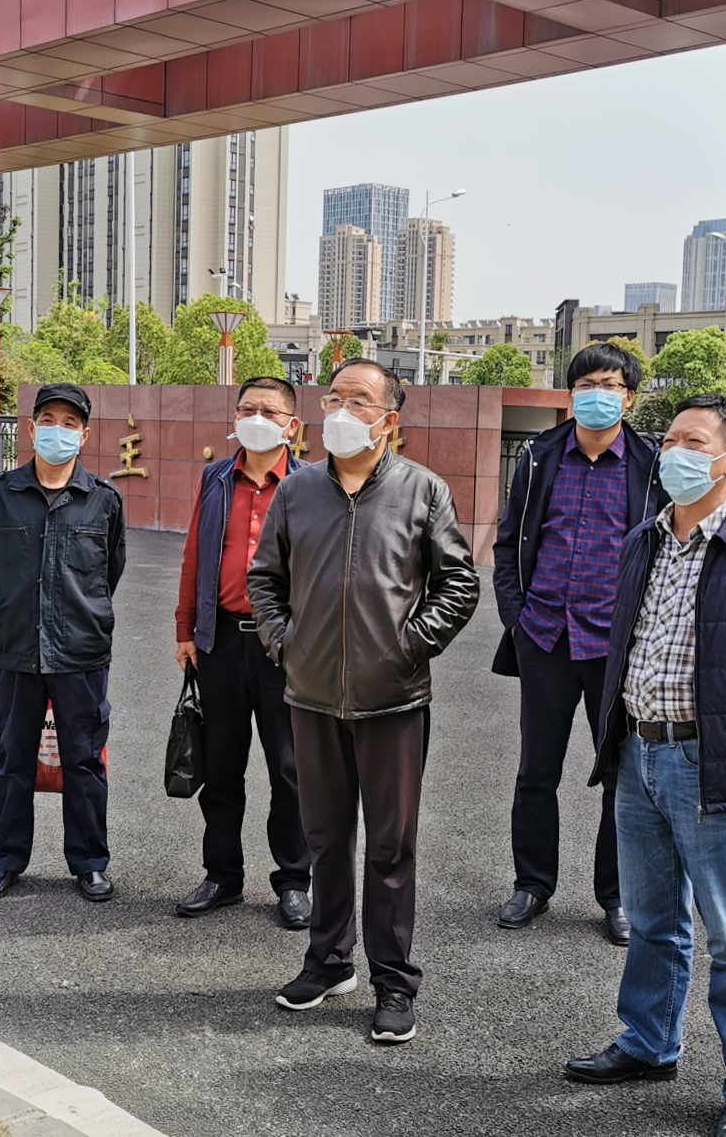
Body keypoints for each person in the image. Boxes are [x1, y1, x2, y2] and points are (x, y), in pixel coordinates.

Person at [564, 395, 726, 1137]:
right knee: (652, 919)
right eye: (670, 437)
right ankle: (649, 1042)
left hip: (715, 764)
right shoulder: (644, 539)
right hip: (637, 751)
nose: (673, 450)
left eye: (692, 441)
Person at [248, 358, 479, 1046]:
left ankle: (394, 980)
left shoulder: (422, 490)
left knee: (390, 846)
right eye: (334, 398)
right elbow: (265, 578)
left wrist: (410, 645)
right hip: (311, 696)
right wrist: (285, 645)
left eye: (359, 401)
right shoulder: (297, 490)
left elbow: (459, 583)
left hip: (393, 701)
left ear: (388, 419)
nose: (342, 412)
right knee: (324, 840)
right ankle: (327, 962)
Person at [491, 340, 667, 945]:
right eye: (587, 384)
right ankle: (532, 884)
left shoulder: (651, 464)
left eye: (610, 385)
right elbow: (509, 540)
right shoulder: (540, 457)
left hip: (617, 646)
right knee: (536, 772)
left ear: (629, 397)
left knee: (622, 776)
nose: (598, 395)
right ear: (572, 394)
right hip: (544, 634)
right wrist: (515, 617)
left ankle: (616, 896)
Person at [0, 383, 126, 903]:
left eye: (69, 423)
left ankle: (89, 863)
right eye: (48, 420)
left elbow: (109, 573)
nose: (57, 431)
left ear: (84, 435)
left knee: (83, 761)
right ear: (30, 427)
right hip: (15, 647)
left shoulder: (103, 499)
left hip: (81, 650)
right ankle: (4, 859)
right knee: (12, 758)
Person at [173, 377, 311, 927]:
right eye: (247, 408)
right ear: (233, 417)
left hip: (287, 646)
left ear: (291, 425)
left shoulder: (311, 484)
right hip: (221, 642)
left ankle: (294, 881)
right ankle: (222, 875)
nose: (257, 418)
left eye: (270, 411)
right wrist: (185, 629)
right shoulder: (215, 478)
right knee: (221, 766)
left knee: (291, 770)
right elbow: (194, 555)